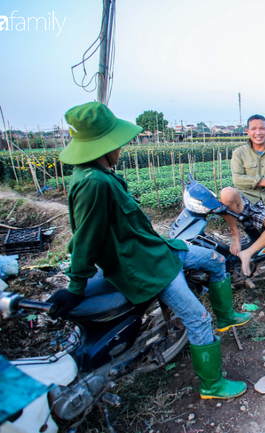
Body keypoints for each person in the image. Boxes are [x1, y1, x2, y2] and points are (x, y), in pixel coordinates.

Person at [47, 102, 251, 399]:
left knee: (216, 258)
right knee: (197, 319)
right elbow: (85, 239)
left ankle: (226, 316)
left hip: (157, 250)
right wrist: (76, 286)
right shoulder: (94, 183)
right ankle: (213, 385)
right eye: (116, 141)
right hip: (146, 267)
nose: (121, 146)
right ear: (102, 145)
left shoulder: (99, 174)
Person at [219, 114, 265, 277]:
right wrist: (263, 182)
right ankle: (235, 234)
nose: (258, 132)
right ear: (247, 131)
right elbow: (237, 179)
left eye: (262, 128)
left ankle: (248, 253)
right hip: (245, 199)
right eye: (253, 128)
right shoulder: (239, 153)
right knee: (226, 193)